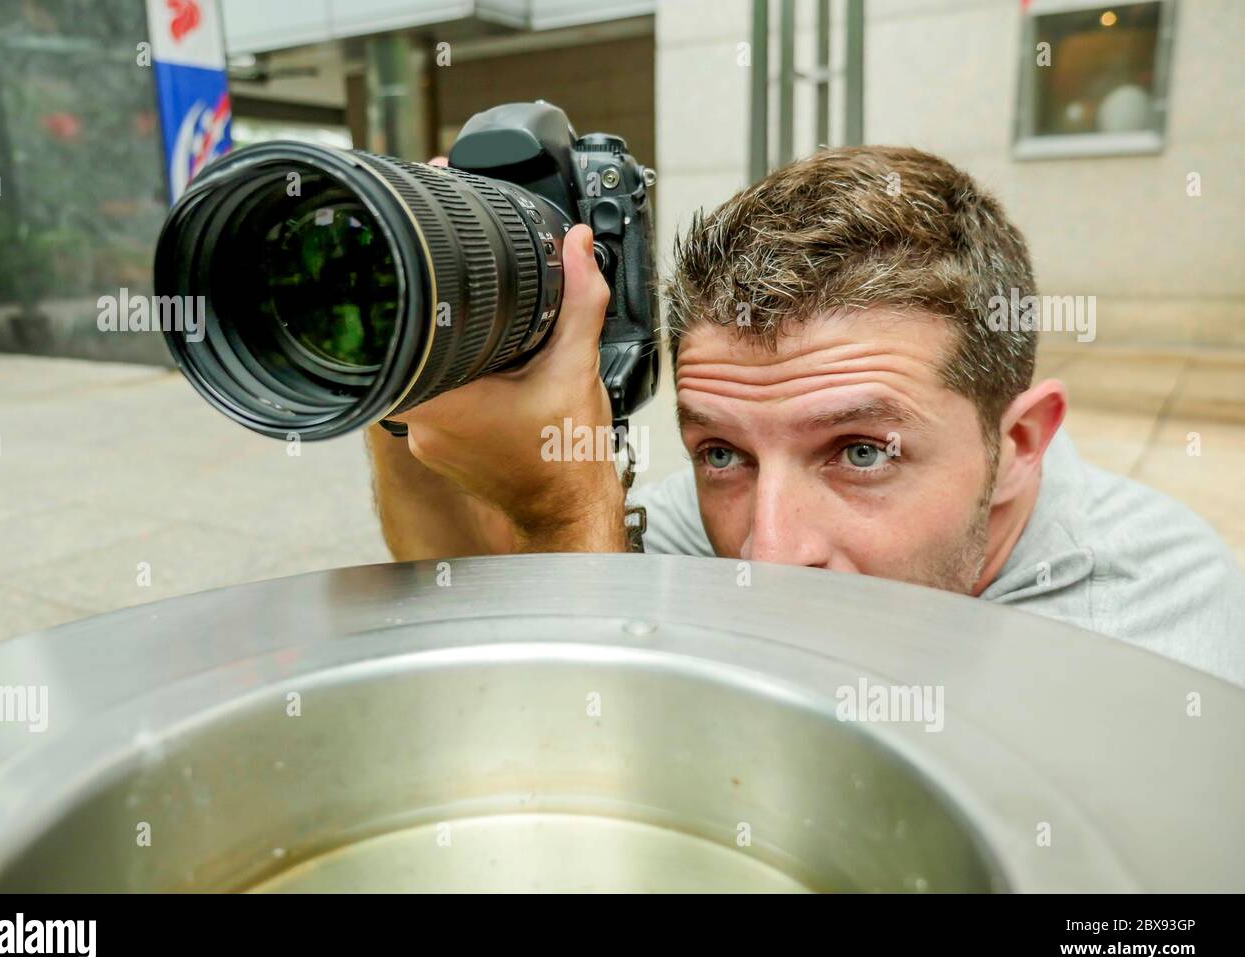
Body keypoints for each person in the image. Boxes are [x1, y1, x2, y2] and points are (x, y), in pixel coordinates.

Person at [367, 146, 1245, 687]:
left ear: (1016, 445)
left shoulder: (1151, 629)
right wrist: (413, 374)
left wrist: (570, 516)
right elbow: (463, 579)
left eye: (860, 451)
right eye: (719, 453)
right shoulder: (727, 513)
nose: (771, 554)